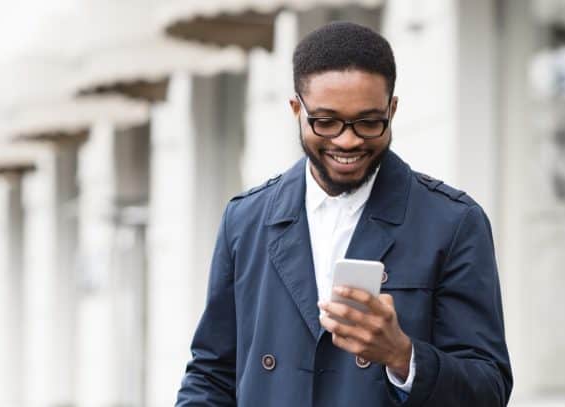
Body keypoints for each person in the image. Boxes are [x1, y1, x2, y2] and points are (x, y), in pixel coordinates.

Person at [176, 21, 513, 406]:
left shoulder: (452, 223)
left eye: (369, 122)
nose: (347, 140)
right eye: (326, 121)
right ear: (295, 110)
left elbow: (489, 390)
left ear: (393, 109)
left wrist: (404, 357)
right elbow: (210, 375)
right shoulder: (246, 220)